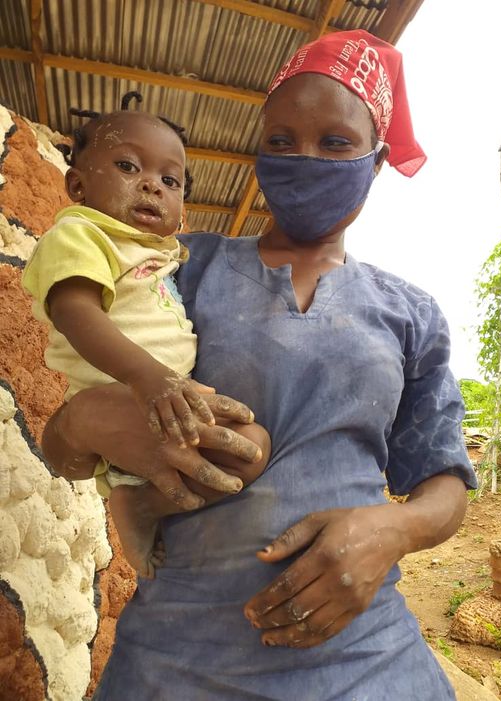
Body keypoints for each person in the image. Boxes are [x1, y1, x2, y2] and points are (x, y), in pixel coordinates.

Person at [43, 30, 477, 700]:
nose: (305, 159)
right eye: (281, 141)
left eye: (335, 142)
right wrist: (88, 418)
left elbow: (445, 485)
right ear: (258, 153)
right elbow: (62, 449)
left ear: (377, 160)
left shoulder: (409, 312)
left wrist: (393, 527)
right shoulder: (175, 266)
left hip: (366, 662)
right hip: (177, 659)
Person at [22, 92, 270, 578]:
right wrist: (146, 376)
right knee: (249, 446)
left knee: (247, 452)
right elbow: (75, 312)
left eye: (169, 179)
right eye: (128, 167)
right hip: (128, 399)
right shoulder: (80, 235)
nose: (152, 186)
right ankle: (140, 502)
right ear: (77, 184)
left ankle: (142, 502)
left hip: (166, 406)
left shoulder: (160, 255)